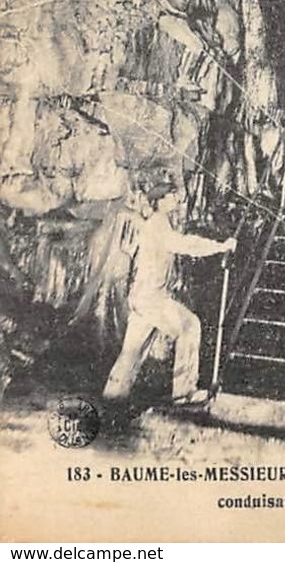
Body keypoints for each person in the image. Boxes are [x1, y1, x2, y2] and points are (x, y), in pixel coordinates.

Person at [103, 173, 237, 408]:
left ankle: (113, 396)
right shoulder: (157, 226)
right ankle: (184, 392)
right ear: (160, 201)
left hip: (142, 296)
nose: (176, 200)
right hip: (151, 298)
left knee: (132, 349)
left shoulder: (156, 224)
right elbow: (186, 244)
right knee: (189, 325)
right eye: (172, 196)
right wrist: (221, 246)